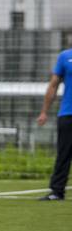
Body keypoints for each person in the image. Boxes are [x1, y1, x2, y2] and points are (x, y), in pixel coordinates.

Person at [37, 47, 72, 201]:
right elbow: (53, 85)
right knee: (63, 154)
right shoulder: (65, 57)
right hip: (67, 113)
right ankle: (57, 192)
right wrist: (44, 111)